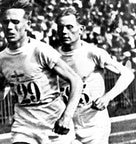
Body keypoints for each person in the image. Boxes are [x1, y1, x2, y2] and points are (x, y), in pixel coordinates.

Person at [0, 0, 83, 143]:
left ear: (28, 25)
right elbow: (1, 90)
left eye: (15, 22)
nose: (9, 27)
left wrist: (67, 116)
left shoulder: (41, 50)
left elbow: (75, 81)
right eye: (5, 22)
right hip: (24, 125)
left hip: (52, 122)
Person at [55, 6, 135, 144]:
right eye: (60, 27)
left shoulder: (92, 53)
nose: (64, 32)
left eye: (69, 27)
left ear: (81, 29)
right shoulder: (54, 57)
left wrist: (107, 97)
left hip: (94, 125)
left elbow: (127, 74)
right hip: (68, 124)